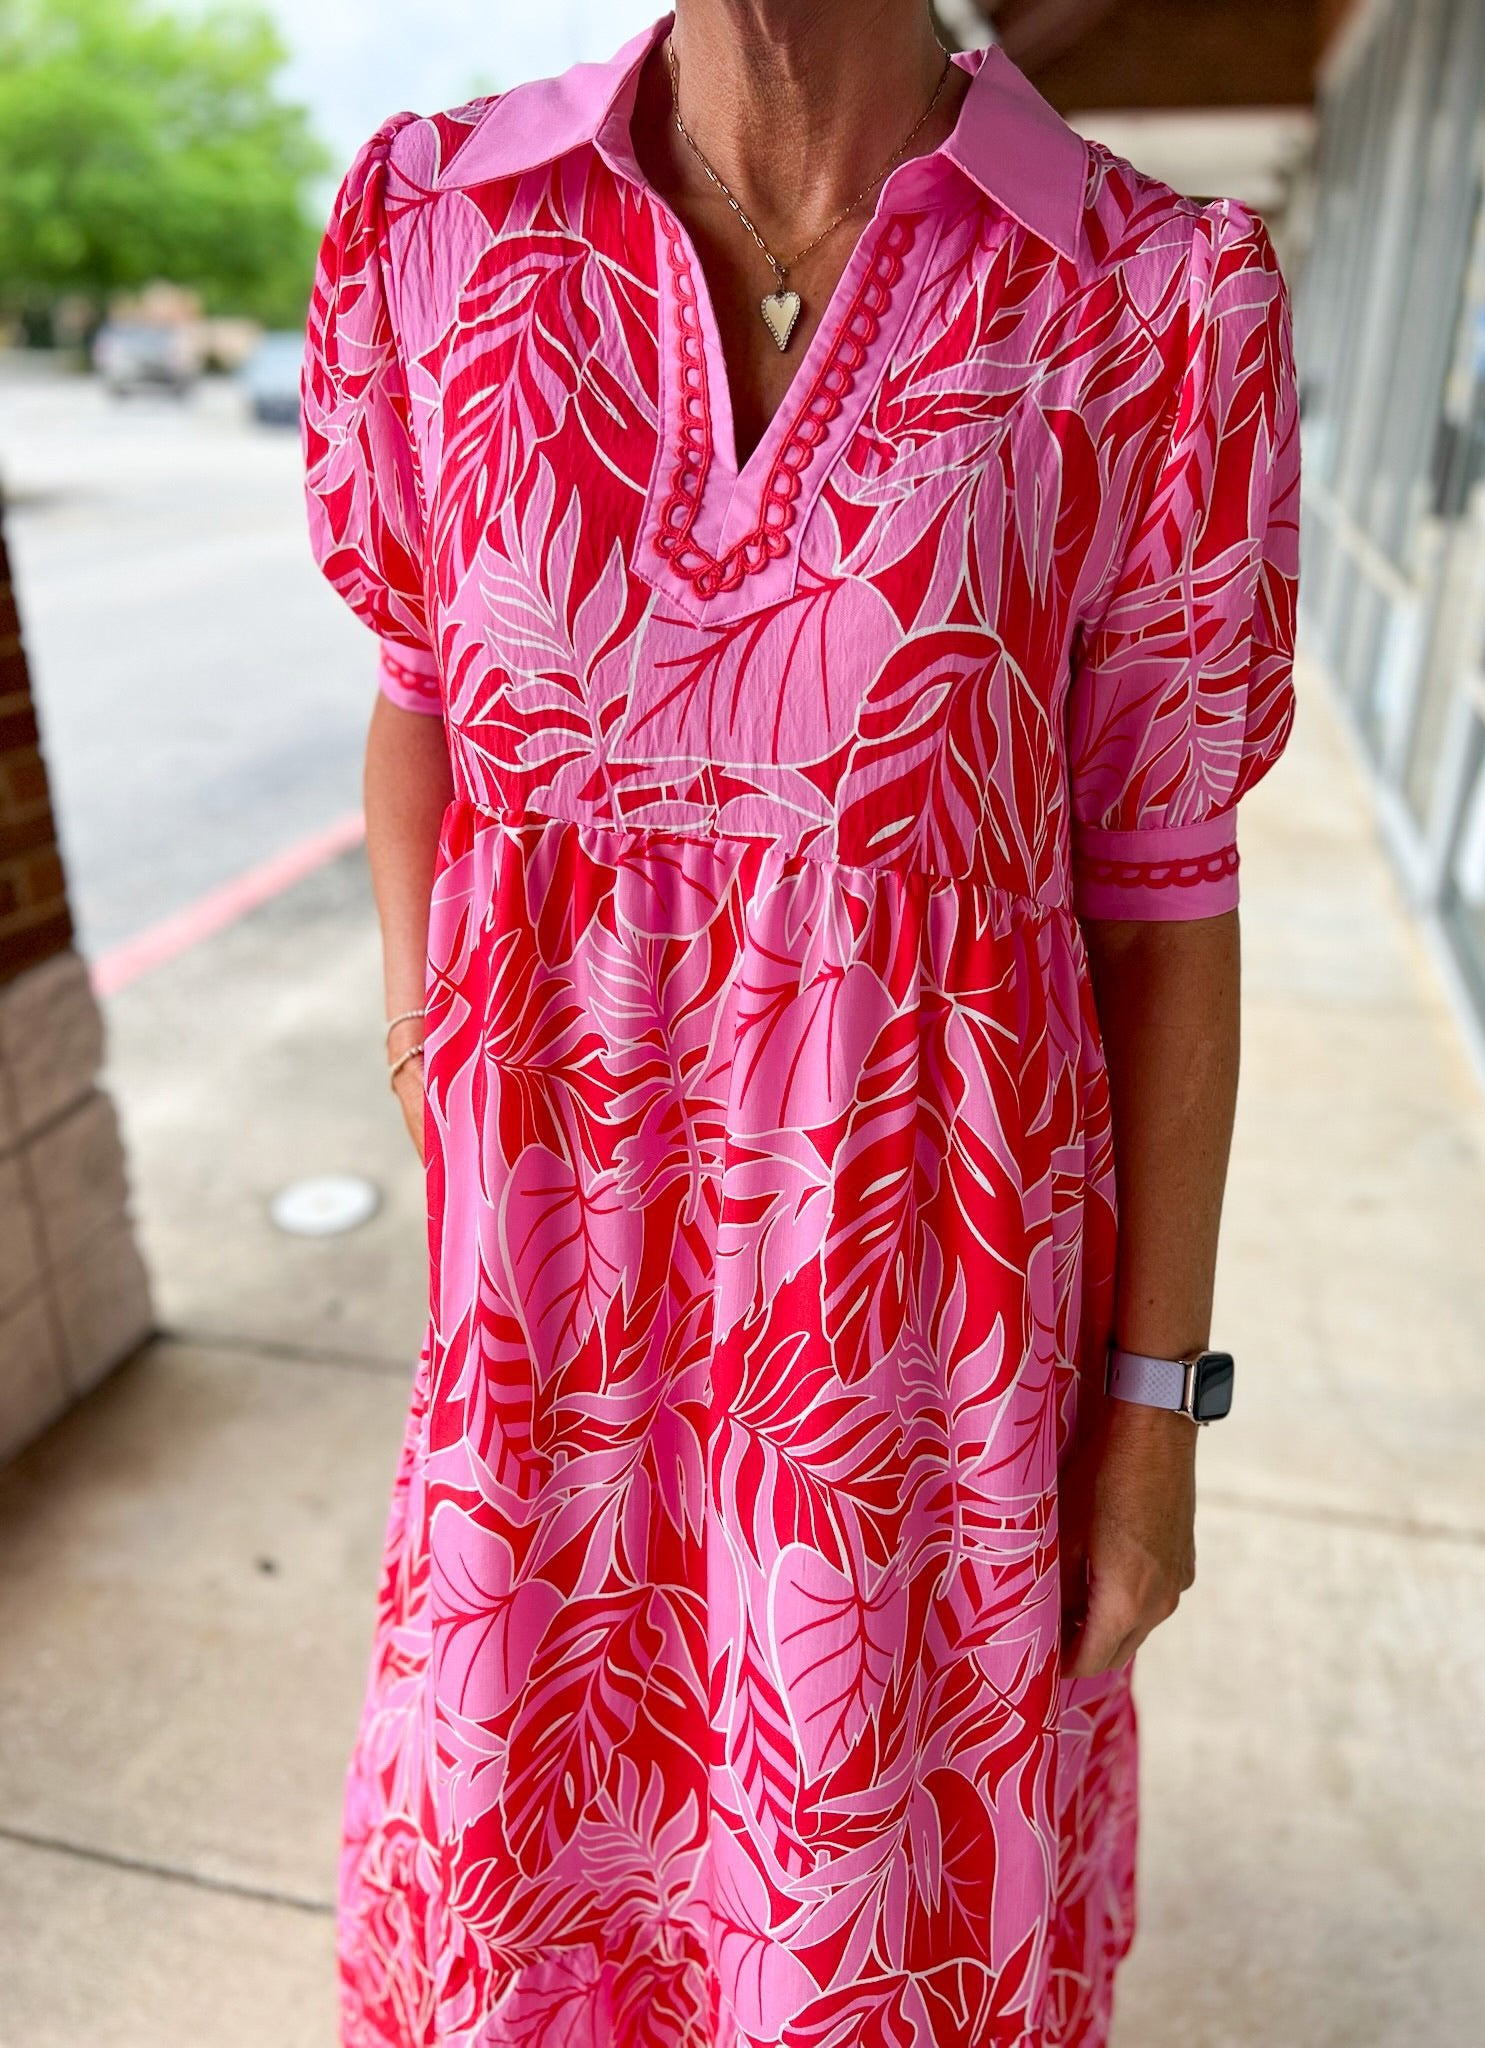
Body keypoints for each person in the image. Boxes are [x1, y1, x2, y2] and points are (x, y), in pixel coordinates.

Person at [300, 2, 1299, 2042]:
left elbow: (1166, 905)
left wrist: (1149, 1419)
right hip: (541, 1388)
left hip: (914, 1417)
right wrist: (435, 1056)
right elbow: (423, 700)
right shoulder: (435, 228)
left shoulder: (1142, 301)